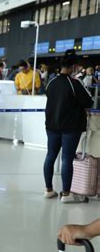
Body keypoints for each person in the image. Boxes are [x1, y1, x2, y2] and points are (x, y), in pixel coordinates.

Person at [43, 49, 93, 203]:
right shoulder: (74, 83)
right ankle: (66, 194)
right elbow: (88, 102)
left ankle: (48, 190)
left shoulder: (51, 82)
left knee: (50, 156)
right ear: (74, 67)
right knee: (66, 158)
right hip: (70, 127)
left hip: (52, 125)